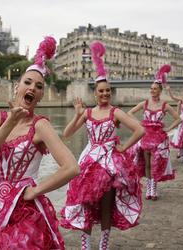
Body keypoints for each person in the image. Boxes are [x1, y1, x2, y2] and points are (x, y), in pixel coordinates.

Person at [0, 36, 79, 250]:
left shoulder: (40, 126)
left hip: (25, 207)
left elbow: (71, 167)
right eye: (28, 82)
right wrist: (11, 122)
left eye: (39, 86)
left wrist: (35, 191)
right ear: (17, 87)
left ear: (41, 95)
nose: (32, 87)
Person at [60, 41, 145, 250]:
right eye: (101, 91)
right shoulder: (87, 113)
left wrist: (123, 148)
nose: (105, 94)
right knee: (86, 205)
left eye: (108, 91)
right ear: (95, 94)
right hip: (89, 162)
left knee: (106, 207)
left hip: (108, 164)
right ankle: (85, 246)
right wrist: (78, 115)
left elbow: (140, 130)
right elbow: (66, 133)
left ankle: (103, 246)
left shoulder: (115, 112)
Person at [126, 64, 181, 201]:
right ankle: (148, 189)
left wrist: (169, 129)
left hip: (158, 139)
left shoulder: (164, 105)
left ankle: (154, 189)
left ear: (160, 91)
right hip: (146, 137)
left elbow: (178, 119)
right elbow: (130, 112)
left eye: (155, 89)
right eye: (151, 89)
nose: (152, 91)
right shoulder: (144, 103)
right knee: (147, 164)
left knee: (155, 164)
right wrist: (139, 124)